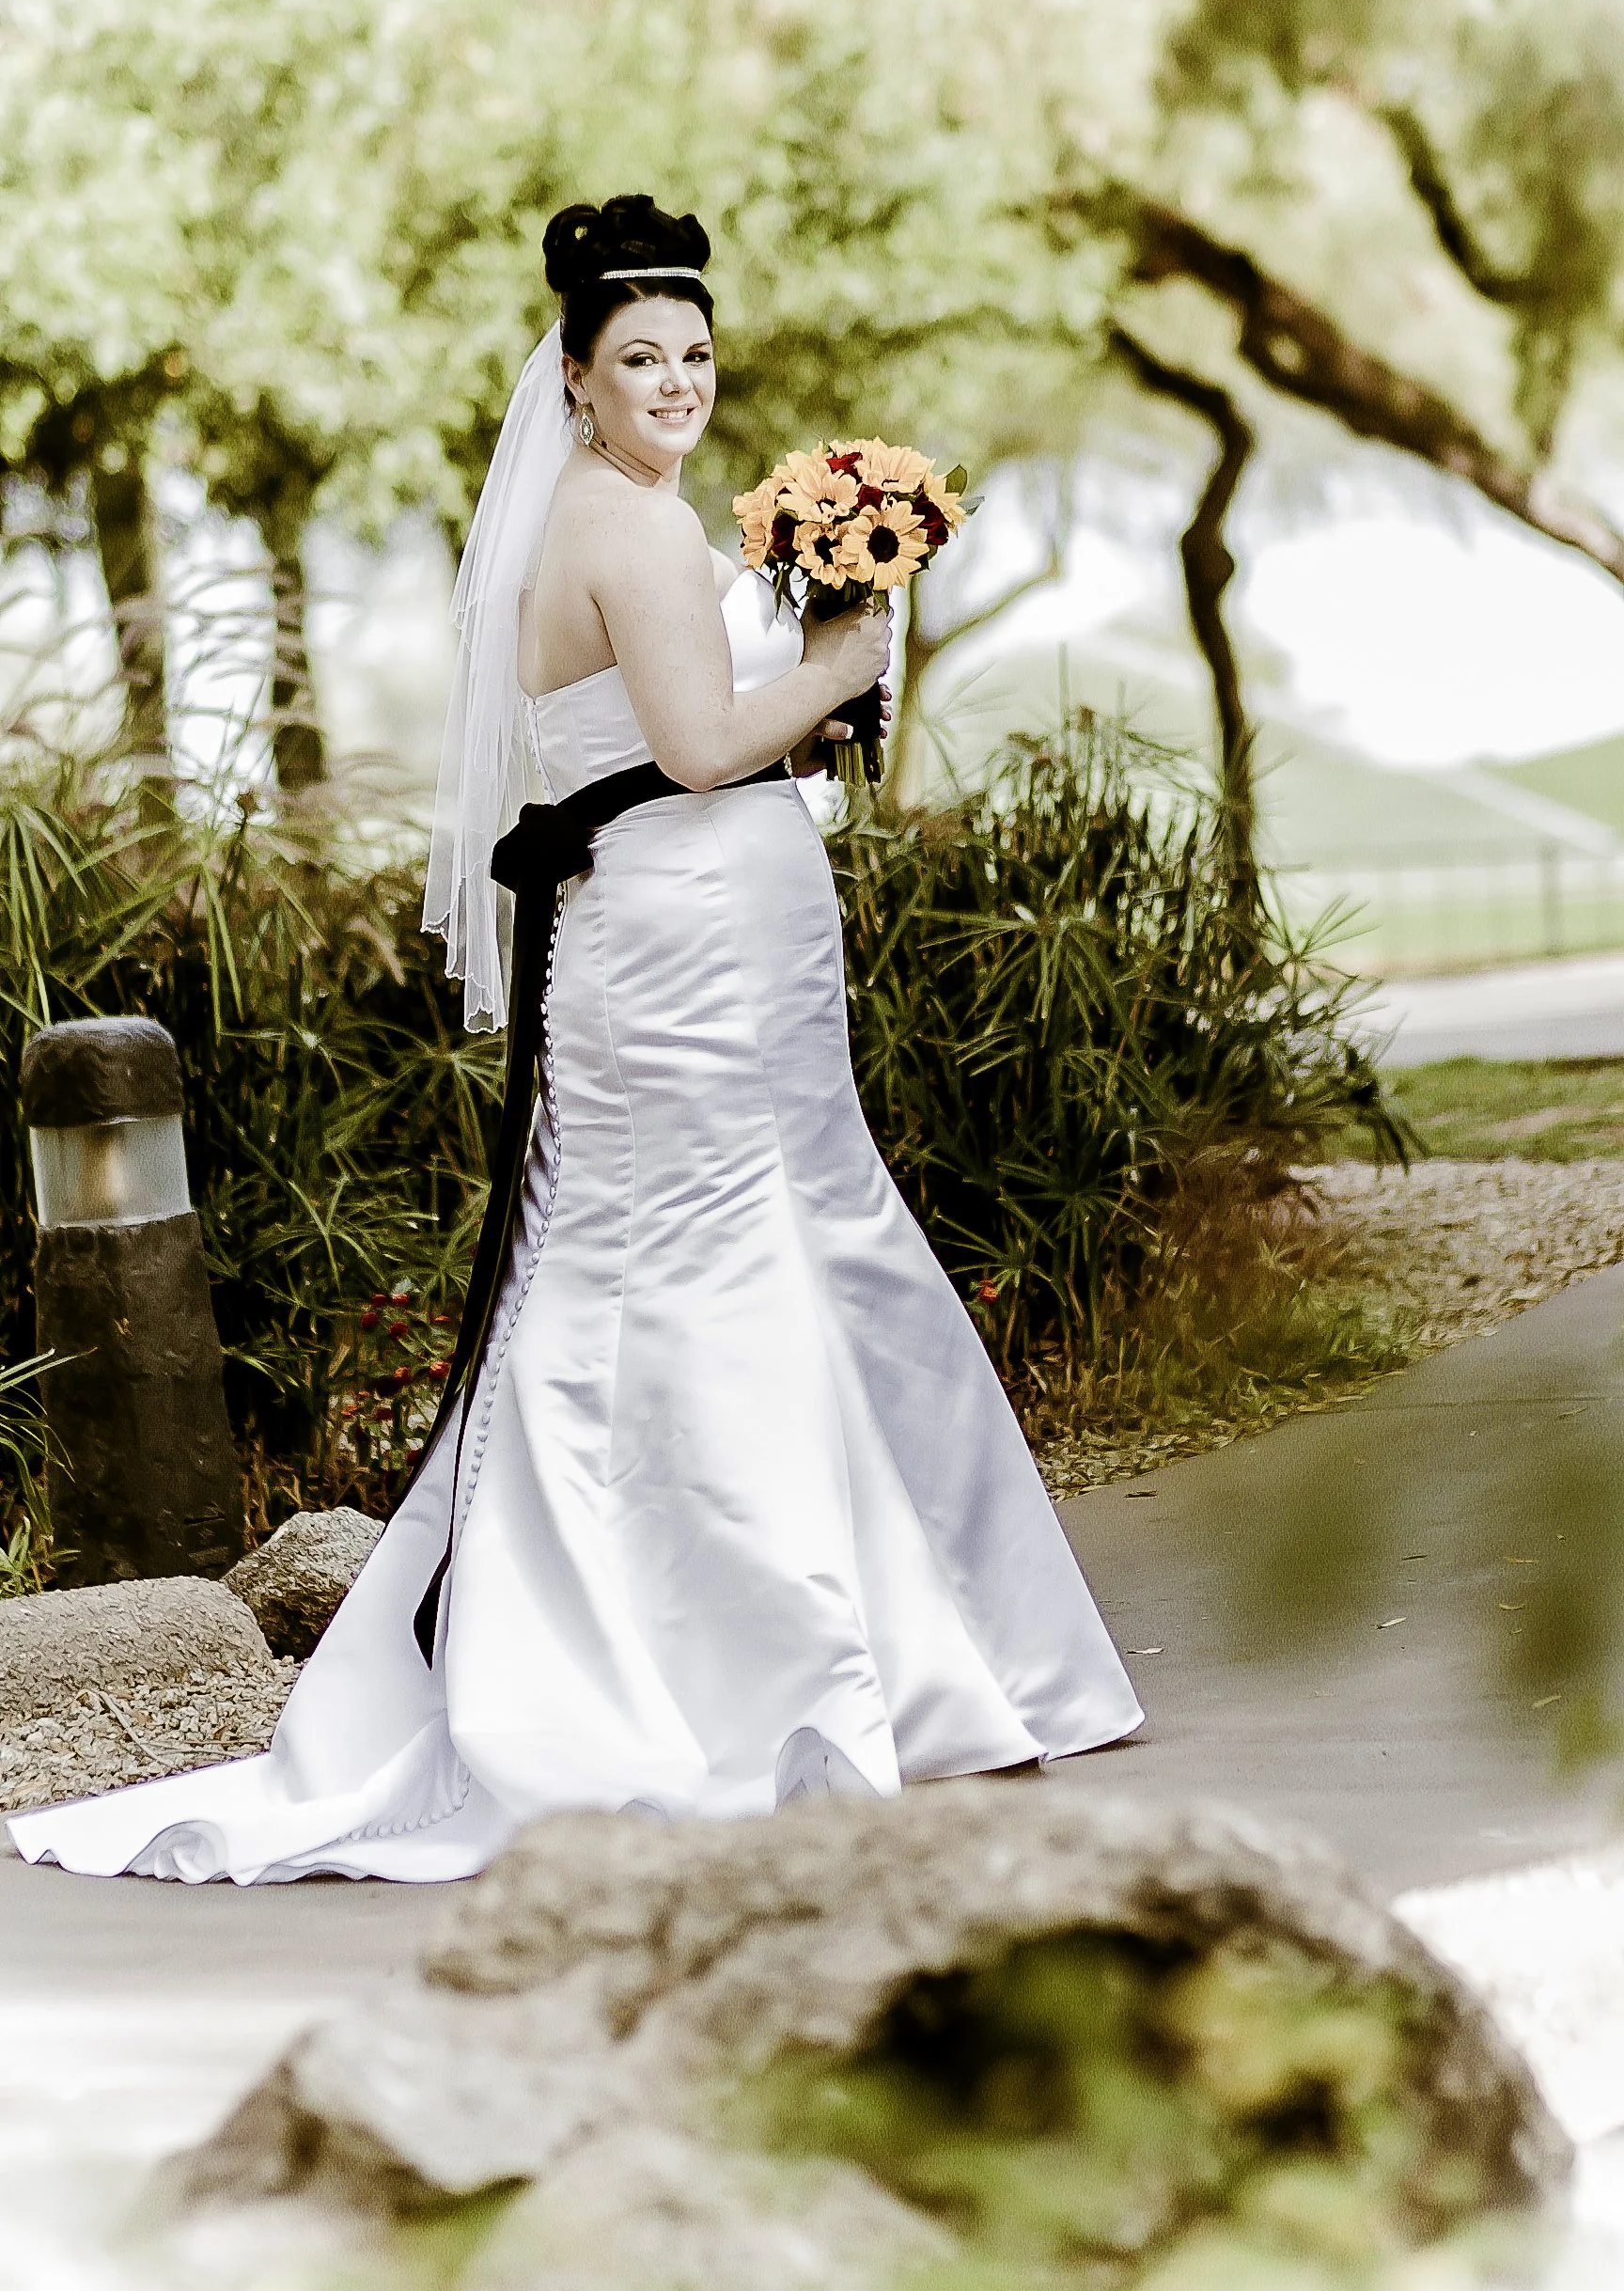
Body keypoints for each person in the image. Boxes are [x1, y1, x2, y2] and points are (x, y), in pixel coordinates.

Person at [8, 196, 1141, 1885]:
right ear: (576, 377)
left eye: (695, 355)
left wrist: (812, 689)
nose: (676, 383)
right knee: (708, 1264)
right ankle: (747, 1669)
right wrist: (843, 661)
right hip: (677, 955)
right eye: (641, 360)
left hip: (698, 942)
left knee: (744, 1249)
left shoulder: (623, 518)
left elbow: (678, 748)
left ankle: (826, 1645)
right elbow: (693, 749)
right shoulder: (628, 530)